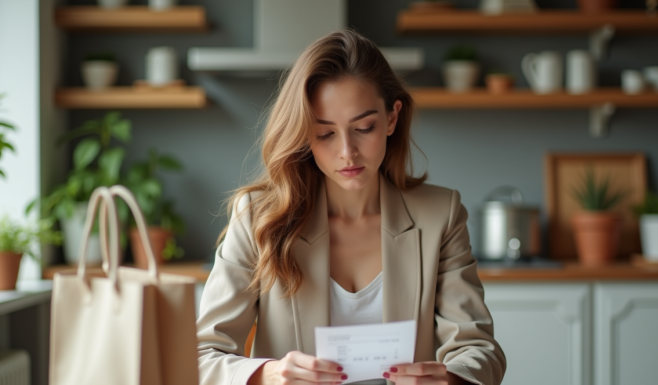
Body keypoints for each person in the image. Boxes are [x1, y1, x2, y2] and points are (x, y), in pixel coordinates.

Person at [196, 29, 506, 385]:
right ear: (303, 133)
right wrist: (270, 374)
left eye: (364, 127)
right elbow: (203, 357)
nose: (347, 151)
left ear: (391, 118)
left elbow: (480, 350)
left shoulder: (441, 214)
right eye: (325, 133)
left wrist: (450, 380)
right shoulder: (257, 217)